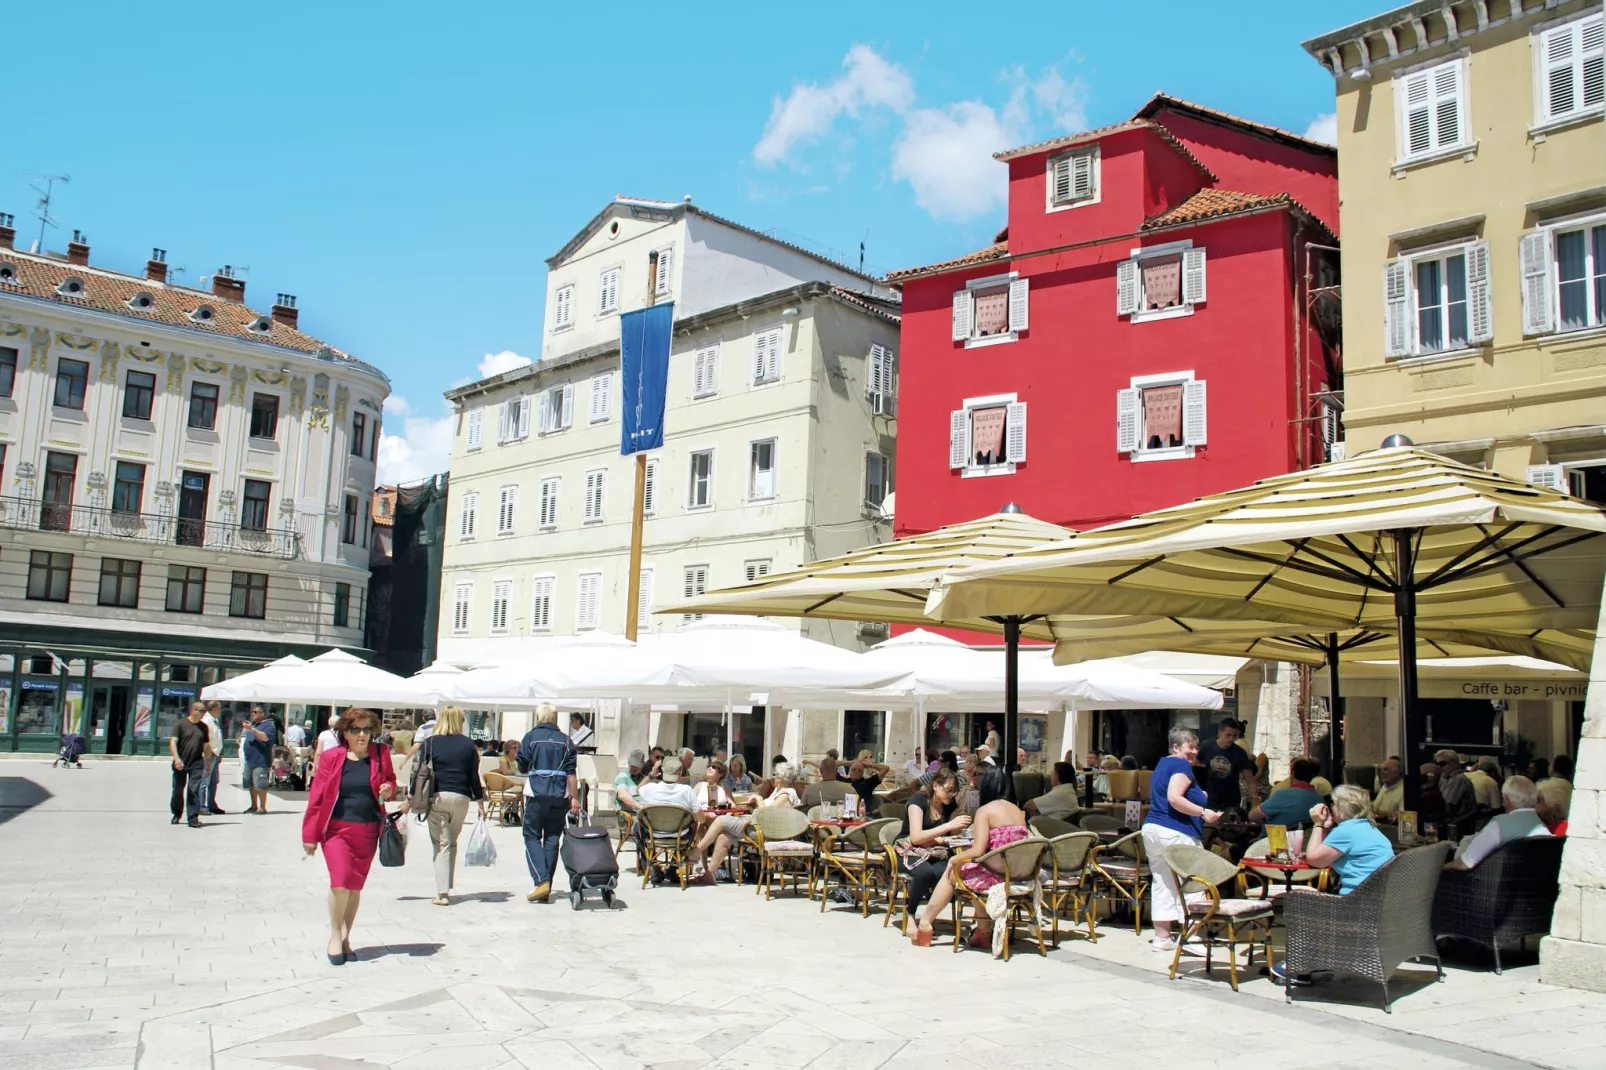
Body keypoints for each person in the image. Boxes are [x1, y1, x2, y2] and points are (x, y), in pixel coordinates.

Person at [301, 707, 401, 965]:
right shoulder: (332, 757)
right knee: (339, 883)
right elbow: (317, 797)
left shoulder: (381, 754)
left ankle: (347, 937)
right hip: (336, 831)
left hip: (367, 830)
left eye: (367, 729)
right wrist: (309, 835)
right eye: (356, 729)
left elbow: (390, 782)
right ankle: (334, 935)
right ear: (344, 732)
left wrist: (388, 788)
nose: (362, 735)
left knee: (354, 888)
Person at [1271, 784, 1395, 987]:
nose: (1331, 807)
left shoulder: (1347, 831)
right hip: (1375, 903)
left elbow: (1314, 859)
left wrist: (1318, 825)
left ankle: (1300, 967)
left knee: (1300, 902)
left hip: (1355, 906)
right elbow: (1327, 852)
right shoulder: (1367, 828)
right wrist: (1328, 827)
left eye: (1333, 804)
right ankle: (1316, 962)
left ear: (1342, 807)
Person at [913, 768, 1024, 951]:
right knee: (970, 872)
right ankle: (983, 930)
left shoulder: (985, 811)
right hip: (1017, 872)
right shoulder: (1017, 810)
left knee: (954, 871)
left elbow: (978, 849)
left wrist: (955, 858)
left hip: (996, 874)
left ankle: (925, 922)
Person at [1142, 726, 1222, 953]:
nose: (1195, 751)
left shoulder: (1163, 764)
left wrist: (1199, 796)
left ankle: (1162, 938)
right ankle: (1192, 939)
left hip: (1153, 830)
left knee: (1163, 883)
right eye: (1190, 747)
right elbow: (1174, 798)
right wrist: (1202, 811)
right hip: (1177, 831)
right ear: (1176, 747)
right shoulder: (1180, 765)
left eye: (1197, 747)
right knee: (1193, 883)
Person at [420, 706, 485, 907]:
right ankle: (446, 884)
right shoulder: (469, 745)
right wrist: (480, 802)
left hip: (438, 796)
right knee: (451, 841)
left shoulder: (430, 743)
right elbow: (474, 776)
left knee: (441, 843)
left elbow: (420, 773)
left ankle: (442, 892)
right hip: (462, 797)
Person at [515, 704, 580, 903]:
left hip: (536, 792)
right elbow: (571, 772)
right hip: (560, 794)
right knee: (552, 837)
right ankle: (546, 885)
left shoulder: (530, 738)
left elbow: (522, 765)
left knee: (531, 835)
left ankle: (541, 880)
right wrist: (575, 797)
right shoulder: (566, 740)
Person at [901, 769, 971, 943]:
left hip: (935, 851)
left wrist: (958, 824)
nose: (952, 794)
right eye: (949, 790)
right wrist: (947, 828)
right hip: (908, 850)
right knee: (925, 873)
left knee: (947, 875)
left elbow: (953, 833)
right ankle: (910, 913)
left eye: (954, 791)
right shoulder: (918, 801)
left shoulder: (950, 806)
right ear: (935, 786)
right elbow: (916, 837)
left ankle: (928, 919)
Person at [1446, 776, 1550, 870]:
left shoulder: (1499, 825)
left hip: (1491, 886)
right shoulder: (1544, 828)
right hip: (1535, 888)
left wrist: (1442, 867)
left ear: (1507, 800)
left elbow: (1466, 863)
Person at [1195, 718, 1258, 815]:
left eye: (1234, 736)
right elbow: (1195, 765)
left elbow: (1250, 779)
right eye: (1228, 735)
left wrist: (1254, 801)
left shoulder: (1239, 753)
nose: (1231, 739)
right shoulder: (1207, 746)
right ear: (1220, 733)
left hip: (1231, 802)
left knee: (1229, 828)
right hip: (1209, 799)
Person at [169, 701, 213, 827]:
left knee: (193, 790)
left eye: (204, 711)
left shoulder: (204, 727)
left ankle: (193, 818)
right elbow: (173, 742)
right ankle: (177, 813)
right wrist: (176, 758)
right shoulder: (180, 724)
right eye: (201, 710)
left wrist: (208, 764)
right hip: (181, 761)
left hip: (197, 763)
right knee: (177, 790)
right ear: (193, 710)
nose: (202, 713)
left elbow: (206, 747)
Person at [1250, 756, 1324, 827]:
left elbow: (1253, 816)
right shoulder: (1320, 799)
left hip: (1274, 838)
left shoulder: (1282, 795)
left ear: (1292, 773)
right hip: (1307, 838)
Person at [241, 708, 277, 814]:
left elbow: (265, 738)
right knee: (251, 783)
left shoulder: (269, 726)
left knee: (260, 784)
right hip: (249, 760)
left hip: (260, 760)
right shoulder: (254, 725)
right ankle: (254, 805)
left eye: (256, 712)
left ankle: (262, 806)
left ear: (262, 713)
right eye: (252, 712)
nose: (253, 714)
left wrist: (251, 729)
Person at [198, 701, 225, 816]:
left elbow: (216, 738)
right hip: (208, 755)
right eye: (219, 708)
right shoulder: (206, 721)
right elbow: (206, 740)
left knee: (213, 782)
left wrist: (218, 754)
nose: (220, 710)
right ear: (214, 709)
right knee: (205, 781)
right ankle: (201, 806)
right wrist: (210, 755)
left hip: (215, 754)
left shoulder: (215, 720)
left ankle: (211, 805)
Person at [615, 750, 646, 814]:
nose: (634, 768)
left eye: (636, 766)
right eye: (632, 765)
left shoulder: (644, 779)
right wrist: (641, 808)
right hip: (629, 814)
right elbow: (623, 795)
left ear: (642, 765)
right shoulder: (622, 776)